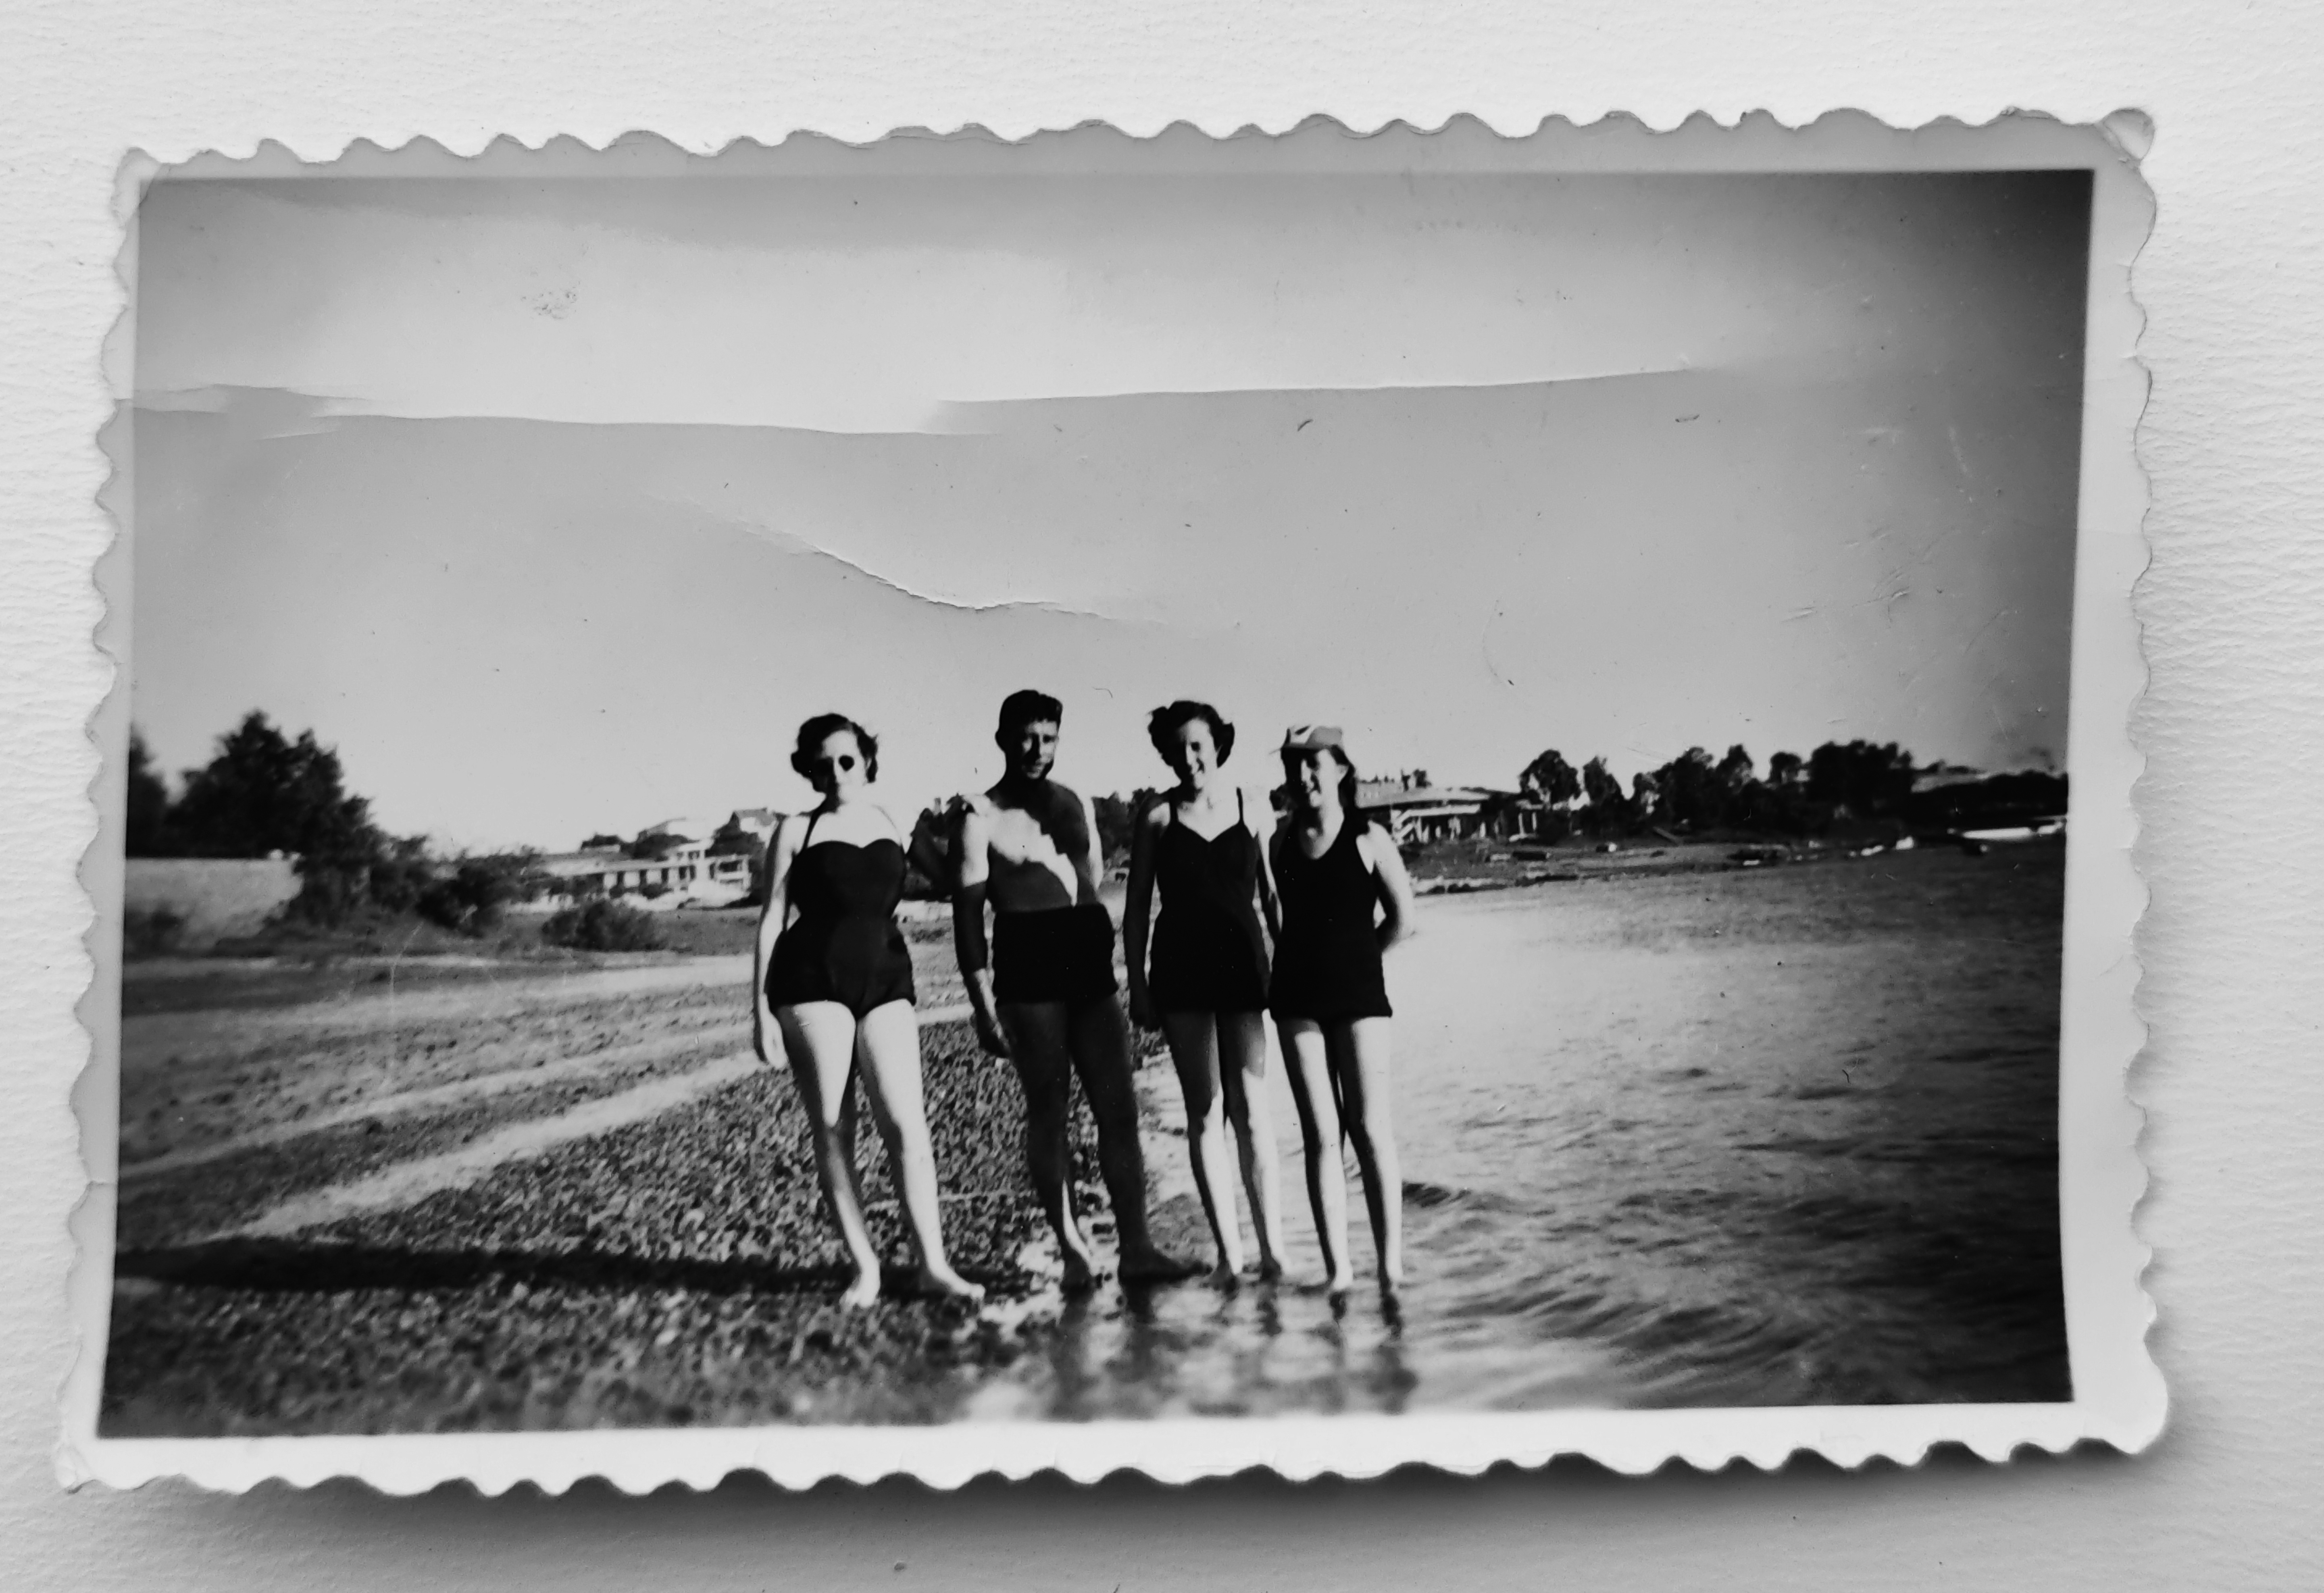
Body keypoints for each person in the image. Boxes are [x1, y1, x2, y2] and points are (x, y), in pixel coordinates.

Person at [920, 689, 1197, 1293]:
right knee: (1050, 1112)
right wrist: (982, 1005)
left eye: (1048, 738)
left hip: (1087, 962)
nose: (1037, 750)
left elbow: (1091, 882)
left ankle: (1137, 1248)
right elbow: (968, 919)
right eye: (1025, 737)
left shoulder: (1073, 803)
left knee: (1119, 1111)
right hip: (1028, 966)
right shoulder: (980, 817)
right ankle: (1073, 1252)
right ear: (1001, 739)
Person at [752, 713, 983, 1308]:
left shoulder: (891, 818)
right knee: (834, 1128)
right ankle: (867, 1268)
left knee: (907, 1123)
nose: (836, 772)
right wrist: (758, 1009)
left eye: (847, 760)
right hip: (809, 982)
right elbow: (773, 919)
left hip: (885, 976)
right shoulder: (795, 830)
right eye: (823, 763)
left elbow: (953, 879)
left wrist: (968, 824)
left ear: (866, 761)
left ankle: (933, 1265)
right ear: (808, 769)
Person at [1123, 701, 1288, 1283]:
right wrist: (1138, 986)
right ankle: (1229, 1256)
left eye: (1199, 745)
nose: (1190, 758)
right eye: (1178, 749)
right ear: (1167, 755)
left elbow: (1271, 895)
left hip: (1245, 968)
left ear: (1219, 745)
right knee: (1206, 1113)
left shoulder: (1253, 804)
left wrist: (1291, 964)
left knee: (1253, 1112)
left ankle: (1274, 1252)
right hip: (1182, 970)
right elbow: (1137, 906)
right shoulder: (1157, 817)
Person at [1268, 724, 1418, 1298]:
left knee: (1371, 1129)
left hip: (1360, 1000)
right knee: (1320, 1134)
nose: (1304, 776)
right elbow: (1276, 917)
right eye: (1294, 765)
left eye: (1315, 764)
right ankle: (1338, 1272)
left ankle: (1390, 1269)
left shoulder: (1370, 837)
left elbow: (1403, 919)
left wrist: (1357, 959)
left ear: (1340, 771)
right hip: (1296, 1001)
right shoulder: (1280, 842)